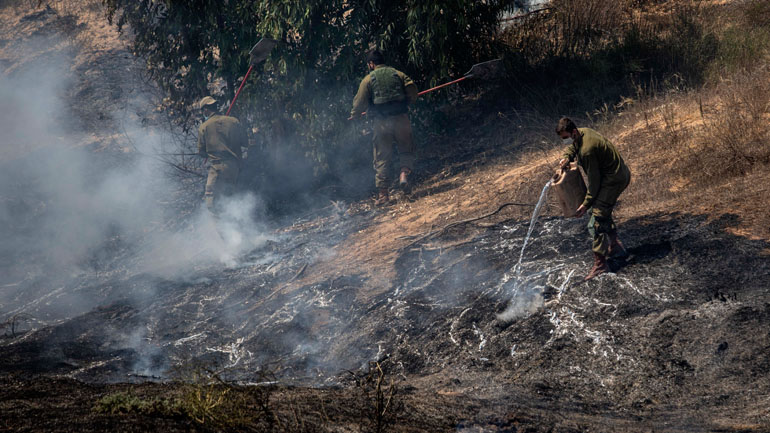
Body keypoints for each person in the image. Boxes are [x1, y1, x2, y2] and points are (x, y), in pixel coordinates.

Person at [557, 117, 631, 280]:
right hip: (612, 176)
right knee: (599, 210)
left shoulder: (588, 150)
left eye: (565, 138)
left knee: (596, 219)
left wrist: (585, 203)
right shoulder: (583, 133)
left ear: (573, 132)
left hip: (613, 180)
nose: (565, 141)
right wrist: (566, 157)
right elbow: (573, 148)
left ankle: (600, 265)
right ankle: (615, 246)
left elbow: (594, 182)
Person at [350, 50, 418, 206]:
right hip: (401, 118)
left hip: (382, 123)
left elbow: (359, 103)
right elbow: (412, 90)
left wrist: (355, 114)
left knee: (382, 157)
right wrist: (408, 100)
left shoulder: (368, 79)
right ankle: (403, 174)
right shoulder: (397, 74)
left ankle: (383, 196)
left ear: (371, 64)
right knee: (406, 149)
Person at [197, 96, 247, 216]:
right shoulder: (233, 121)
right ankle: (234, 225)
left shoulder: (204, 127)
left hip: (217, 168)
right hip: (234, 167)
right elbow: (245, 142)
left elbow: (201, 152)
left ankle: (221, 226)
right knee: (230, 198)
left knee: (211, 202)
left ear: (205, 110)